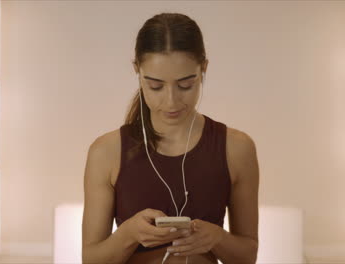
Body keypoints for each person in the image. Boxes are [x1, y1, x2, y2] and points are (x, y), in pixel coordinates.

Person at [82, 12, 259, 264]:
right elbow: (91, 260)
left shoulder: (237, 148)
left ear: (203, 69)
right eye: (155, 86)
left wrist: (217, 238)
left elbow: (247, 256)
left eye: (186, 85)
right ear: (137, 71)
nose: (171, 101)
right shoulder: (106, 151)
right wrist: (129, 234)